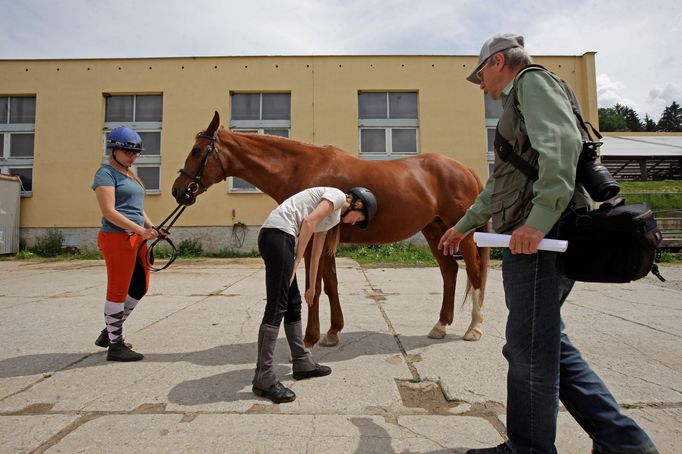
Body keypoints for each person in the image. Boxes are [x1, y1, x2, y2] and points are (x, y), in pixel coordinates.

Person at [438, 34, 658, 454]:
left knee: (529, 350)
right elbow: (501, 184)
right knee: (546, 343)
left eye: (481, 73)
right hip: (533, 234)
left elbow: (561, 150)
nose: (480, 84)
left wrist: (536, 224)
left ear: (498, 61)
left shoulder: (532, 84)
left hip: (539, 239)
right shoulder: (518, 99)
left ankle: (531, 448)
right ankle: (624, 443)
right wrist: (462, 225)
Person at [253, 186, 378, 403]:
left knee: (293, 303)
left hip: (281, 237)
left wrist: (311, 286)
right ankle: (263, 377)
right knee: (277, 306)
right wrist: (296, 261)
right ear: (358, 205)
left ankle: (301, 362)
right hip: (277, 234)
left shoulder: (334, 216)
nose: (356, 223)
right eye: (360, 219)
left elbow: (317, 247)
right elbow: (309, 222)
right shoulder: (337, 196)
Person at [92, 126, 160, 362]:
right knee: (118, 290)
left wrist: (151, 228)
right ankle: (115, 345)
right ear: (114, 149)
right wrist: (139, 229)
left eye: (136, 152)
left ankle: (109, 333)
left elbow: (136, 209)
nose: (133, 156)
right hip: (116, 237)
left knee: (140, 287)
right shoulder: (105, 174)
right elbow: (109, 211)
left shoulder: (130, 174)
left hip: (136, 238)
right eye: (128, 152)